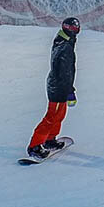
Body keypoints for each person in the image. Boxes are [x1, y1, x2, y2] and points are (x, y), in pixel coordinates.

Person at [27, 17, 80, 160]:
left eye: (77, 29)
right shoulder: (64, 46)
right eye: (74, 29)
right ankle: (35, 146)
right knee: (51, 117)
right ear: (68, 29)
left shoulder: (65, 42)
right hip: (58, 87)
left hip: (61, 86)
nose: (76, 31)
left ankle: (50, 139)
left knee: (59, 115)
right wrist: (69, 90)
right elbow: (63, 71)